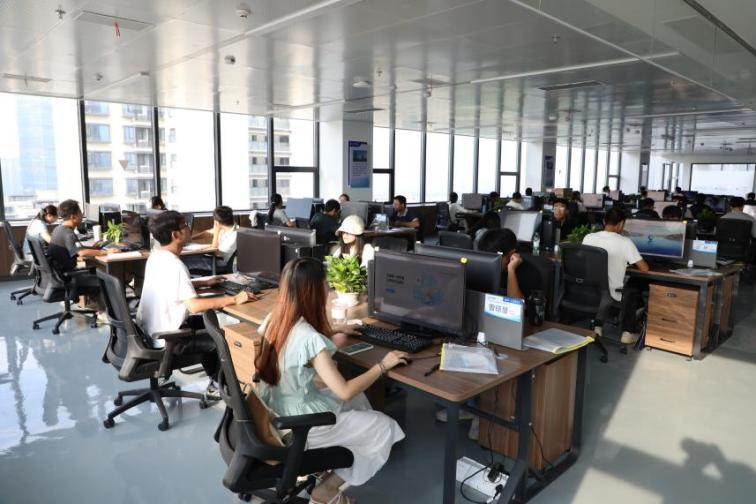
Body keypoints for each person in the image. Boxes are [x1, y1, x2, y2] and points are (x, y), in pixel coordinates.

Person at [254, 258, 406, 504]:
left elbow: (295, 343)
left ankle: (334, 458)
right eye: (326, 283)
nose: (329, 289)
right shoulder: (309, 338)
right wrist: (383, 366)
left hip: (278, 410)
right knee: (384, 427)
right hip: (300, 426)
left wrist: (335, 329)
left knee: (359, 398)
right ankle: (327, 489)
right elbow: (344, 390)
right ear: (313, 290)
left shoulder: (275, 319)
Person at [136, 211, 256, 398]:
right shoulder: (175, 265)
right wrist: (234, 299)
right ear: (175, 234)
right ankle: (220, 385)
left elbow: (169, 286)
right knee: (222, 338)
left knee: (211, 325)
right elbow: (194, 306)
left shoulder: (157, 256)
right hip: (169, 338)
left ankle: (215, 381)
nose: (189, 228)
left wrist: (202, 282)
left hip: (150, 331)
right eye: (184, 225)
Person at [582, 208, 650, 344]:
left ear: (604, 221)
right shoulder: (625, 242)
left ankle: (597, 326)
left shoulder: (588, 237)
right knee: (632, 290)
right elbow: (644, 268)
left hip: (588, 290)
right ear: (621, 224)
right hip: (610, 294)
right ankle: (627, 333)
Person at [48, 200, 111, 308]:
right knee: (106, 279)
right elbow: (81, 253)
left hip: (60, 275)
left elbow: (76, 249)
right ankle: (103, 311)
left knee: (97, 269)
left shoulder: (59, 229)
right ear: (73, 216)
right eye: (80, 212)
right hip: (67, 278)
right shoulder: (68, 233)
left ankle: (95, 304)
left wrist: (92, 248)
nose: (82, 215)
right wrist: (105, 251)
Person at [184, 206, 239, 274]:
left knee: (184, 262)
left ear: (217, 222)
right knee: (186, 258)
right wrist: (190, 238)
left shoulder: (234, 235)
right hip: (212, 259)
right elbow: (207, 233)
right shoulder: (225, 227)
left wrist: (216, 232)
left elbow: (216, 252)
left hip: (218, 263)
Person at [476, 228, 524, 299]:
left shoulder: (527, 272)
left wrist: (511, 270)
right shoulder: (480, 269)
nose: (488, 262)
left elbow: (515, 304)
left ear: (511, 254)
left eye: (493, 258)